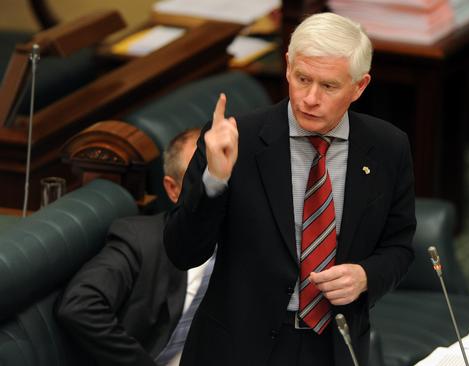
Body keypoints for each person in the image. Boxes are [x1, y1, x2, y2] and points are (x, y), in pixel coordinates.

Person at [164, 12, 416, 366]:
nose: (310, 98)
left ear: (359, 86)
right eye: (302, 79)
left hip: (335, 346)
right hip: (238, 348)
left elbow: (399, 246)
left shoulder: (388, 147)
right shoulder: (239, 140)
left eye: (328, 86)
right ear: (287, 66)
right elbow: (182, 251)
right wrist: (214, 181)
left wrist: (366, 276)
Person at [57, 128, 213, 366]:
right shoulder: (140, 239)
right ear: (173, 189)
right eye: (206, 180)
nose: (219, 190)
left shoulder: (258, 241)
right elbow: (79, 305)